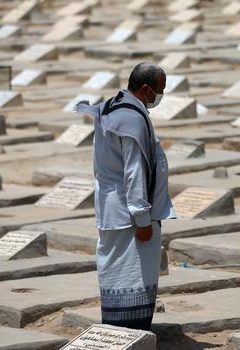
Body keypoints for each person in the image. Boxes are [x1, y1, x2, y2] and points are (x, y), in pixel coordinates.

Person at [77, 62, 175, 331]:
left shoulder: (114, 105)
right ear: (145, 89)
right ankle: (130, 335)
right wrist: (142, 220)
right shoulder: (132, 119)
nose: (160, 96)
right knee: (132, 277)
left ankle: (115, 333)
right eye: (160, 90)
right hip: (128, 216)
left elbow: (100, 163)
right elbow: (134, 172)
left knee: (115, 273)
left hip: (111, 207)